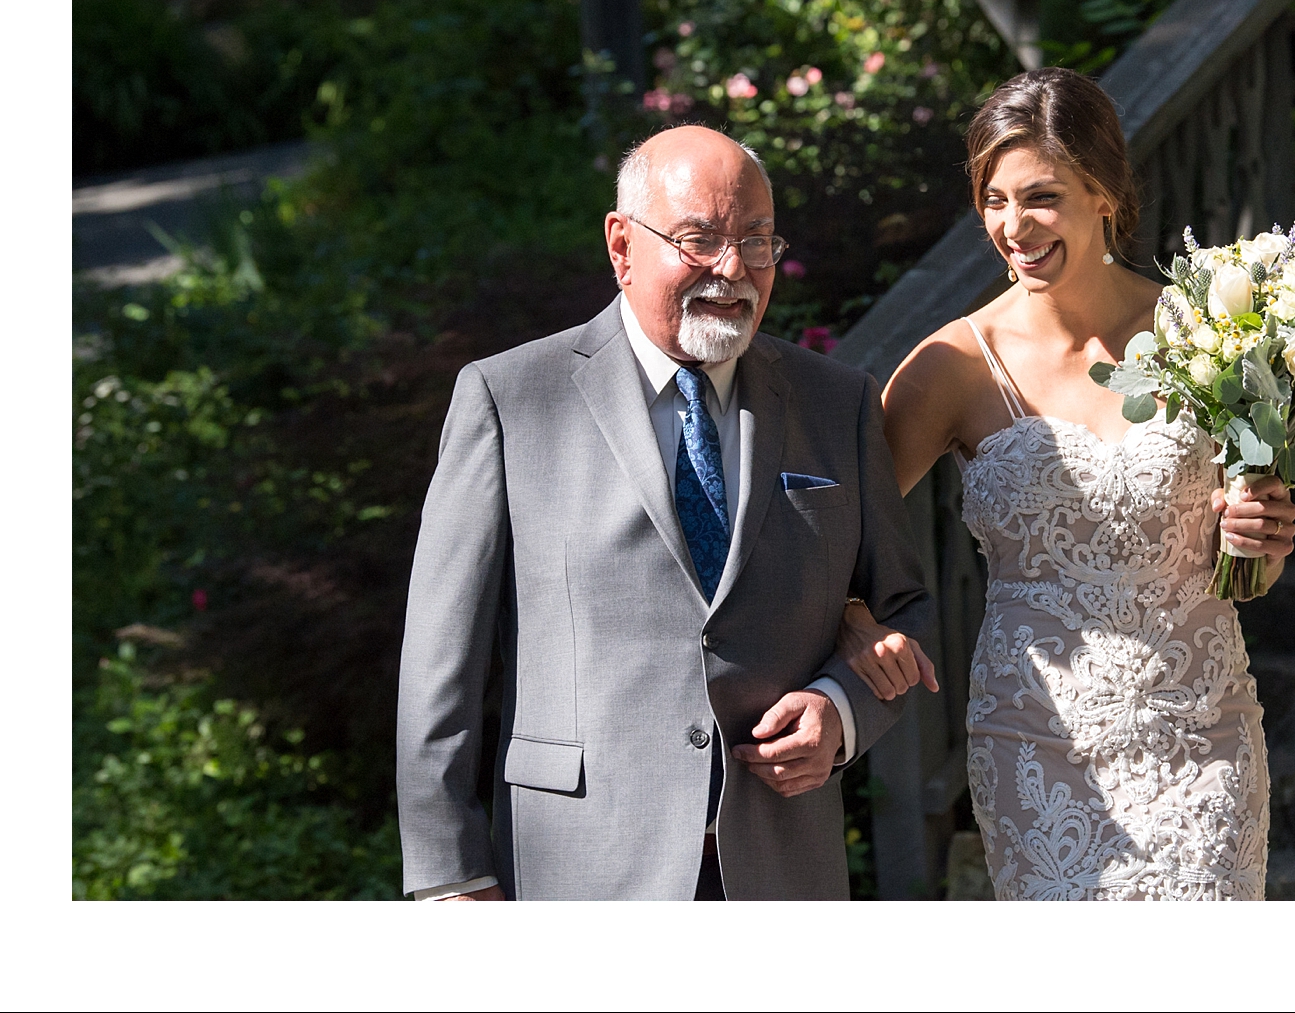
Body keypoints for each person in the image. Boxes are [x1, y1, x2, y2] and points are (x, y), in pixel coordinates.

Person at [395, 125, 931, 901]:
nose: (732, 268)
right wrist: (452, 874)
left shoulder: (835, 402)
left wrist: (842, 711)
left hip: (782, 871)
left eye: (756, 241)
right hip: (578, 869)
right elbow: (440, 666)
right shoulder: (511, 400)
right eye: (699, 239)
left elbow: (904, 608)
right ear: (622, 246)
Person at [838, 68, 1295, 900]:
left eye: (1041, 196)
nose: (1014, 227)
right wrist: (852, 616)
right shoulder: (952, 366)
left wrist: (1260, 541)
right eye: (994, 200)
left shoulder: (1212, 333)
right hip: (1038, 746)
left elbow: (1253, 571)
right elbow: (837, 522)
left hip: (1206, 738)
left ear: (1105, 194)